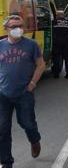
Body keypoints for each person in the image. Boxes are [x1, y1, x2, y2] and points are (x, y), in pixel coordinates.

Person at [0, 15, 44, 167]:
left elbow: (40, 65)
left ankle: (34, 140)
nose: (18, 29)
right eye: (14, 27)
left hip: (24, 93)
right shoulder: (0, 45)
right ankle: (6, 162)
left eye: (20, 25)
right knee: (2, 129)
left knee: (27, 123)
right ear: (6, 29)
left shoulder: (31, 45)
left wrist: (32, 83)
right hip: (3, 94)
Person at [52, 10, 68, 79]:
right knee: (67, 59)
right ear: (63, 15)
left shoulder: (53, 22)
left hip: (56, 43)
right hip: (66, 43)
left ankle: (56, 74)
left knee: (56, 58)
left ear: (57, 15)